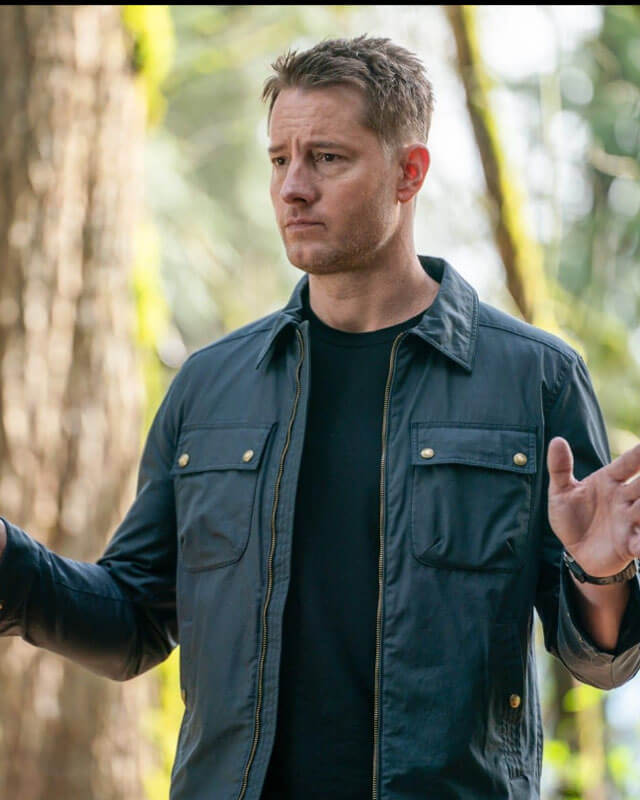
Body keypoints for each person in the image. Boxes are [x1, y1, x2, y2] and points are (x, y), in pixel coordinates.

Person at [1, 34, 640, 800]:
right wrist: (9, 563)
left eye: (327, 159)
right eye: (280, 160)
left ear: (409, 173)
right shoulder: (210, 388)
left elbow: (601, 660)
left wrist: (602, 572)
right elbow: (133, 621)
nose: (292, 189)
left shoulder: (534, 379)